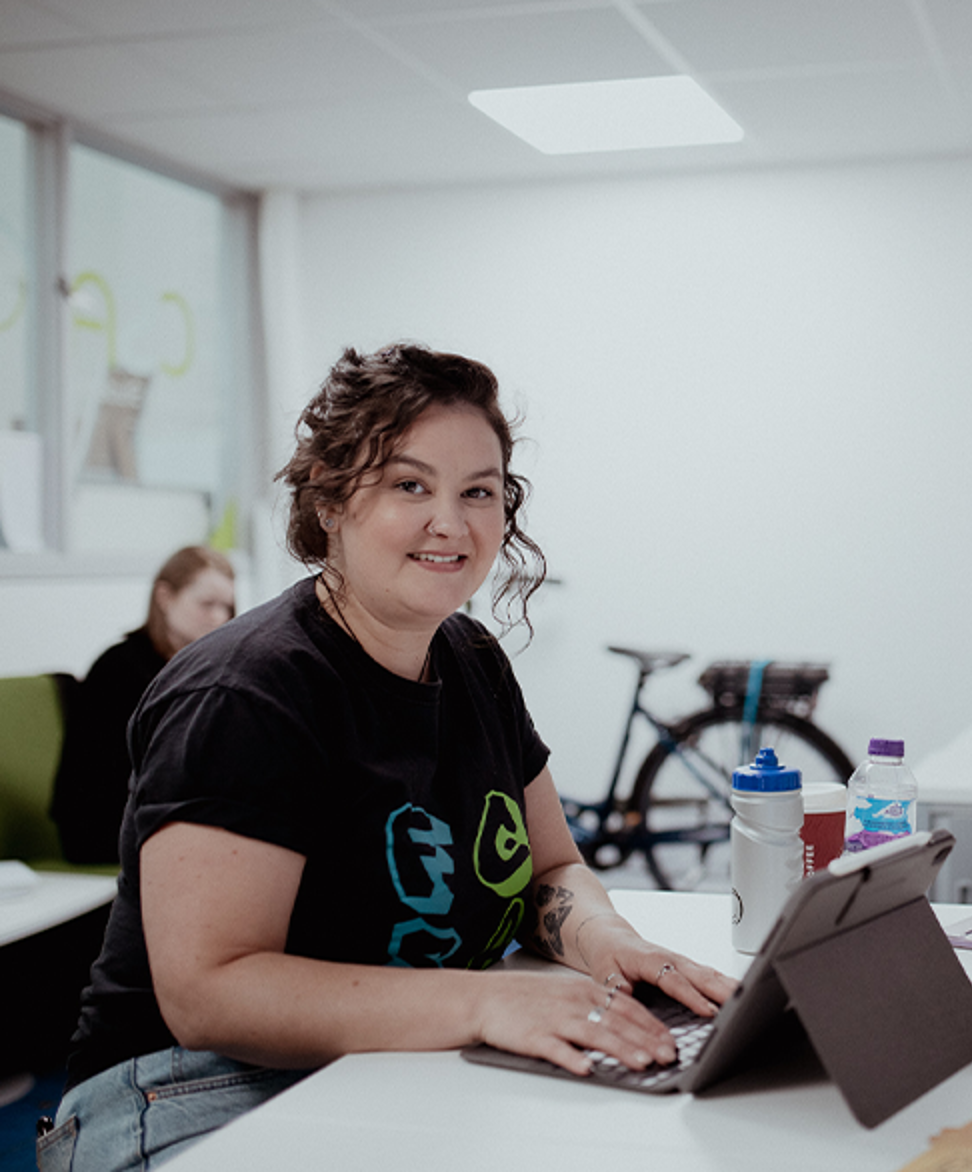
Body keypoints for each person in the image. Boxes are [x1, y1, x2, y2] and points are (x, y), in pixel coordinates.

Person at [41, 344, 737, 1172]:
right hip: (185, 1091)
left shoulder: (473, 659)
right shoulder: (246, 693)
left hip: (394, 1061)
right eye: (411, 485)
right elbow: (211, 993)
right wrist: (485, 1001)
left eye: (478, 491)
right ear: (330, 500)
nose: (452, 522)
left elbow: (551, 867)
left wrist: (609, 942)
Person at [50, 545, 236, 864]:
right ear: (165, 597)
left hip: (162, 818)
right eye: (207, 604)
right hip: (107, 828)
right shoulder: (121, 669)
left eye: (227, 608)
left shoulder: (205, 669)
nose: (219, 618)